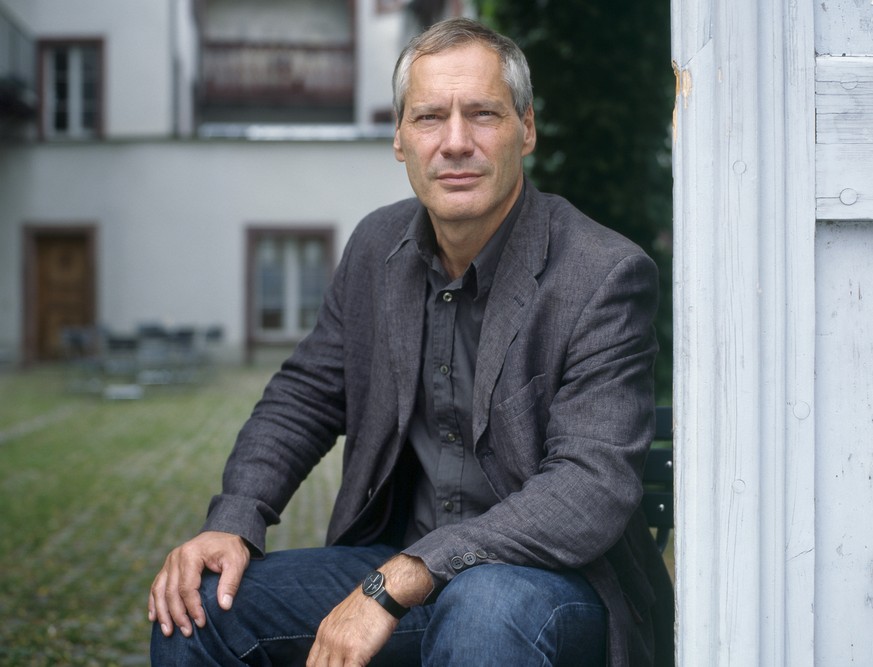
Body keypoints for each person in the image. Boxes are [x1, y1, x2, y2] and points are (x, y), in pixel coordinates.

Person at [149, 17, 673, 667]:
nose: (455, 142)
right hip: (397, 568)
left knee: (482, 607)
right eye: (428, 117)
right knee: (198, 608)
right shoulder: (375, 247)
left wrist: (406, 573)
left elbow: (586, 490)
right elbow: (302, 398)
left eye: (481, 114)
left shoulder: (600, 274)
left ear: (526, 129)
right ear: (399, 137)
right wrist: (233, 518)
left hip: (554, 586)